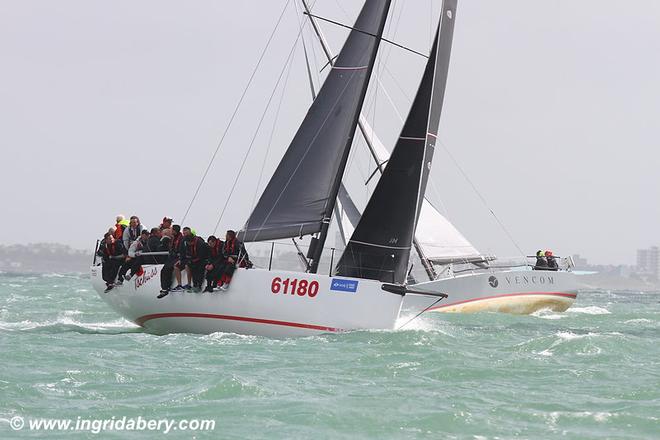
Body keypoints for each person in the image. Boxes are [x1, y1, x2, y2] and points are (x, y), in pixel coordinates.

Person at [158, 225, 182, 299]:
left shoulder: (181, 239)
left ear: (174, 231)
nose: (170, 231)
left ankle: (166, 288)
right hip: (173, 257)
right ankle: (165, 288)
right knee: (164, 269)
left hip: (178, 257)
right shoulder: (173, 238)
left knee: (168, 268)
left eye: (171, 230)